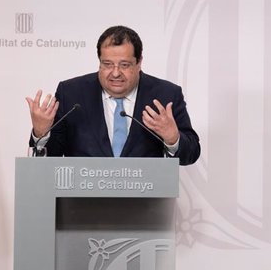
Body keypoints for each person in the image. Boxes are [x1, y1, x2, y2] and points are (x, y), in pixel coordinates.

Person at [26, 25, 200, 165]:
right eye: (107, 64)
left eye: (124, 65)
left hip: (146, 204)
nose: (115, 73)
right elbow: (50, 157)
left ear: (139, 62)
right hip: (81, 204)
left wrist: (173, 138)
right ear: (99, 61)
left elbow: (191, 154)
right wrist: (41, 133)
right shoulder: (71, 94)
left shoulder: (165, 94)